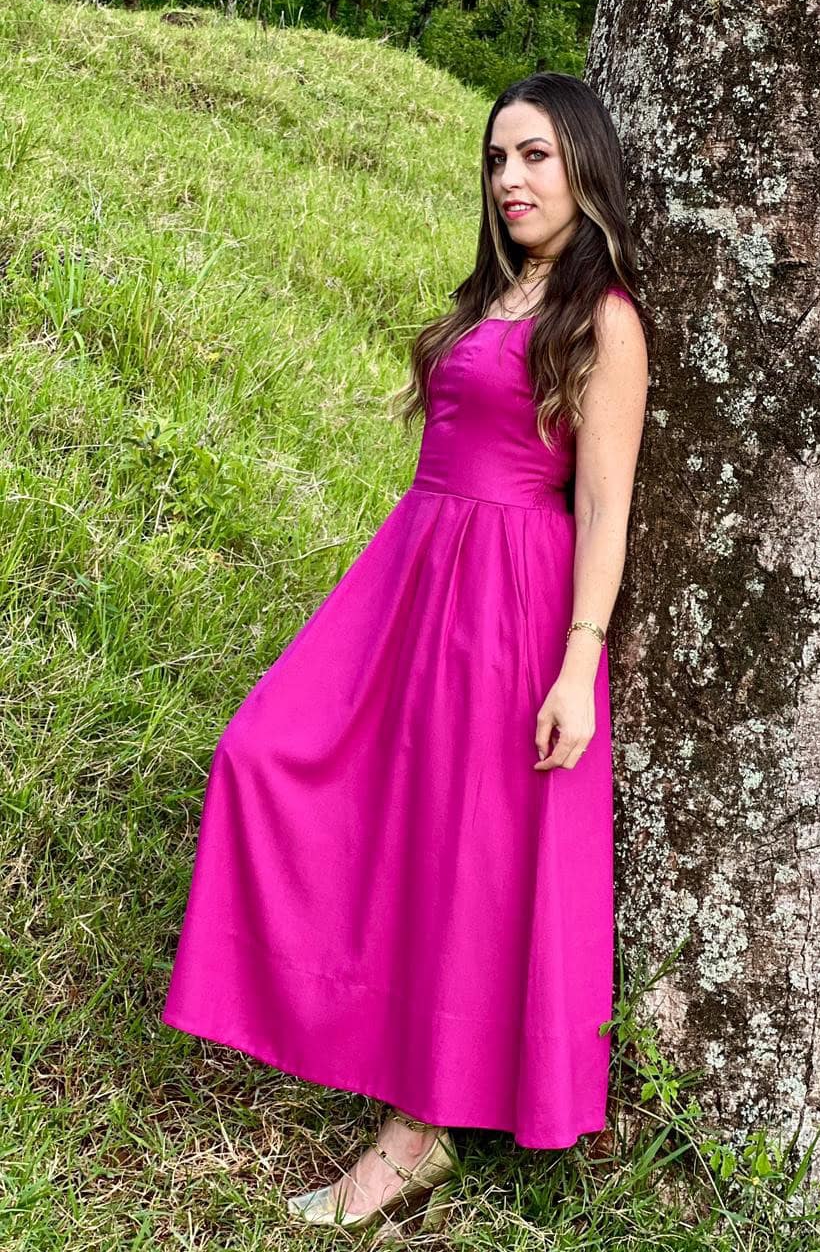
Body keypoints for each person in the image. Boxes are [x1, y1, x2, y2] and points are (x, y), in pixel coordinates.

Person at [161, 70, 651, 1234]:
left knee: (465, 858)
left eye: (534, 155)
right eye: (497, 159)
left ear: (583, 164)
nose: (511, 180)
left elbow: (604, 508)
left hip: (508, 601)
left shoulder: (604, 317)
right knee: (265, 752)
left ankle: (418, 1130)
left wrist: (577, 664)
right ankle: (347, 1029)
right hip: (414, 577)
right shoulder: (498, 293)